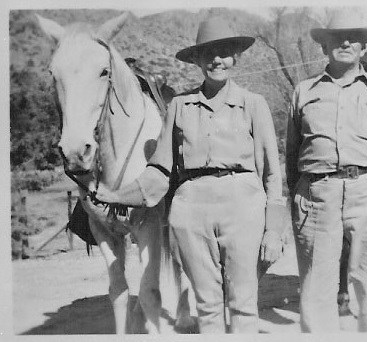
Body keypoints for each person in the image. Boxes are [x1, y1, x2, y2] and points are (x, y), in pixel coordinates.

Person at [96, 16, 286, 333]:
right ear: (196, 59)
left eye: (224, 51)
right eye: (208, 53)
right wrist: (116, 196)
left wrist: (274, 230)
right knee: (207, 307)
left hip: (243, 207)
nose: (216, 60)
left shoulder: (254, 104)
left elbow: (272, 174)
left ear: (235, 56)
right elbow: (159, 170)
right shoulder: (180, 106)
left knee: (243, 305)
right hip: (191, 210)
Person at [286, 13, 367, 332]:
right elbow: (292, 155)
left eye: (353, 36)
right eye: (336, 37)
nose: (346, 42)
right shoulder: (303, 91)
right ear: (324, 44)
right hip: (318, 197)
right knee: (315, 294)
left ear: (364, 45)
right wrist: (304, 196)